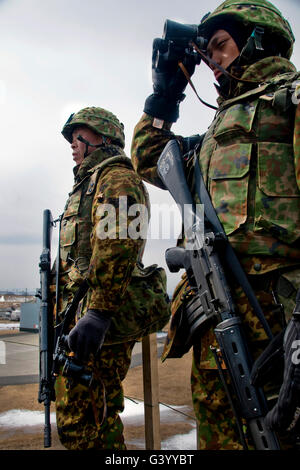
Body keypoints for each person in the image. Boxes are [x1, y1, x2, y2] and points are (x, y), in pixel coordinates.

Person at [131, 0, 300, 450]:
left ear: (257, 40)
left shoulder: (289, 100)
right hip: (217, 334)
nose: (212, 62)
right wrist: (165, 94)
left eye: (220, 46)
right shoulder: (209, 139)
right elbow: (150, 157)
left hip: (278, 331)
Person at [51, 106, 169, 450]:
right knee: (79, 420)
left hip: (98, 320)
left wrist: (99, 313)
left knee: (90, 423)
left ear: (100, 137)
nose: (72, 144)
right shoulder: (89, 182)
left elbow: (118, 244)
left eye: (78, 136)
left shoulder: (117, 178)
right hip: (80, 315)